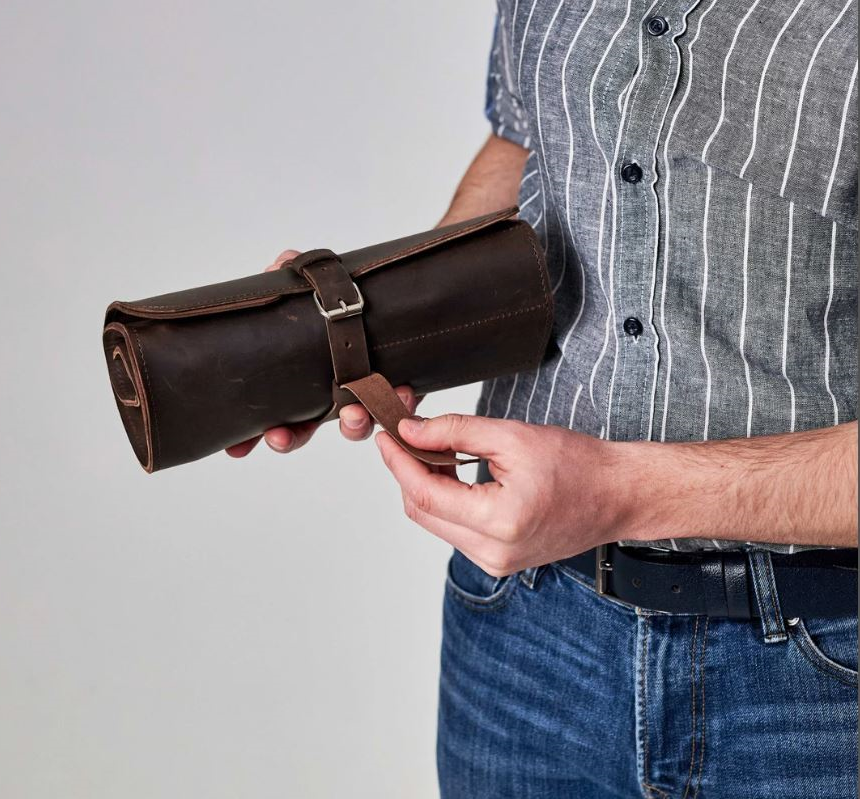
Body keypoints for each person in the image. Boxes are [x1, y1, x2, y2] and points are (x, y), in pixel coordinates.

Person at [229, 2, 859, 796]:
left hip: (822, 677)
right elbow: (528, 139)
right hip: (523, 636)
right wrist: (367, 323)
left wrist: (620, 492)